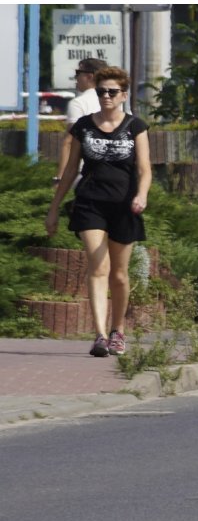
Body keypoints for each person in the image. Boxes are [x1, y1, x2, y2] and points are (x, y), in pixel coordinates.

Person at [44, 66, 152, 358]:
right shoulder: (83, 125)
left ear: (123, 96)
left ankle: (118, 331)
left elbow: (144, 169)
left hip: (124, 206)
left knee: (118, 273)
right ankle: (100, 336)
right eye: (101, 91)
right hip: (90, 202)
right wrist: (53, 209)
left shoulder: (135, 127)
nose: (106, 96)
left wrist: (142, 195)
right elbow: (69, 171)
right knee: (98, 265)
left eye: (112, 92)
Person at [54, 57, 104, 188]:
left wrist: (59, 178)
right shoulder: (117, 101)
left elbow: (69, 142)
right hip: (114, 172)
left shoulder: (79, 103)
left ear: (89, 76)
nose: (76, 78)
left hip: (84, 172)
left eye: (78, 73)